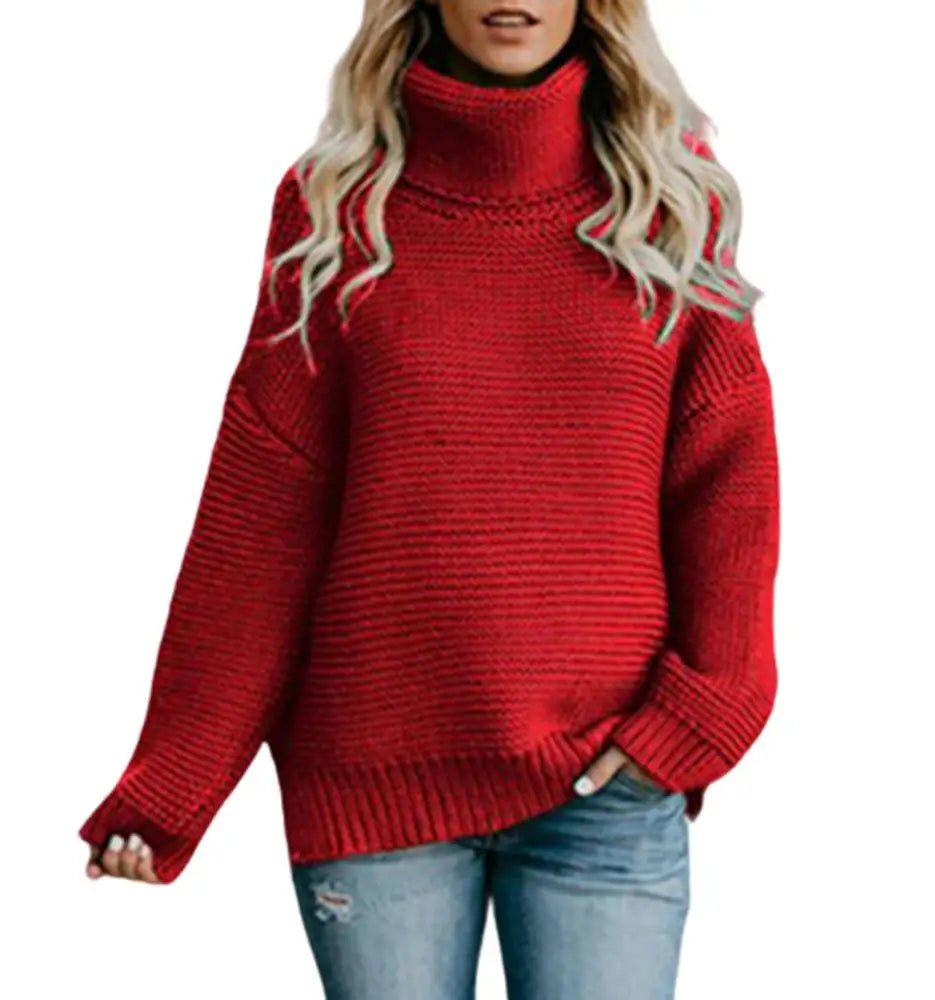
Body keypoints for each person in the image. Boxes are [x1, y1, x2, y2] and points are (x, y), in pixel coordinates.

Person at [78, 1, 781, 996]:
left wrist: (703, 711)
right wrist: (174, 779)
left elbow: (728, 484)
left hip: (604, 786)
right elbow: (265, 507)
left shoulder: (667, 203)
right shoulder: (338, 208)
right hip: (375, 783)